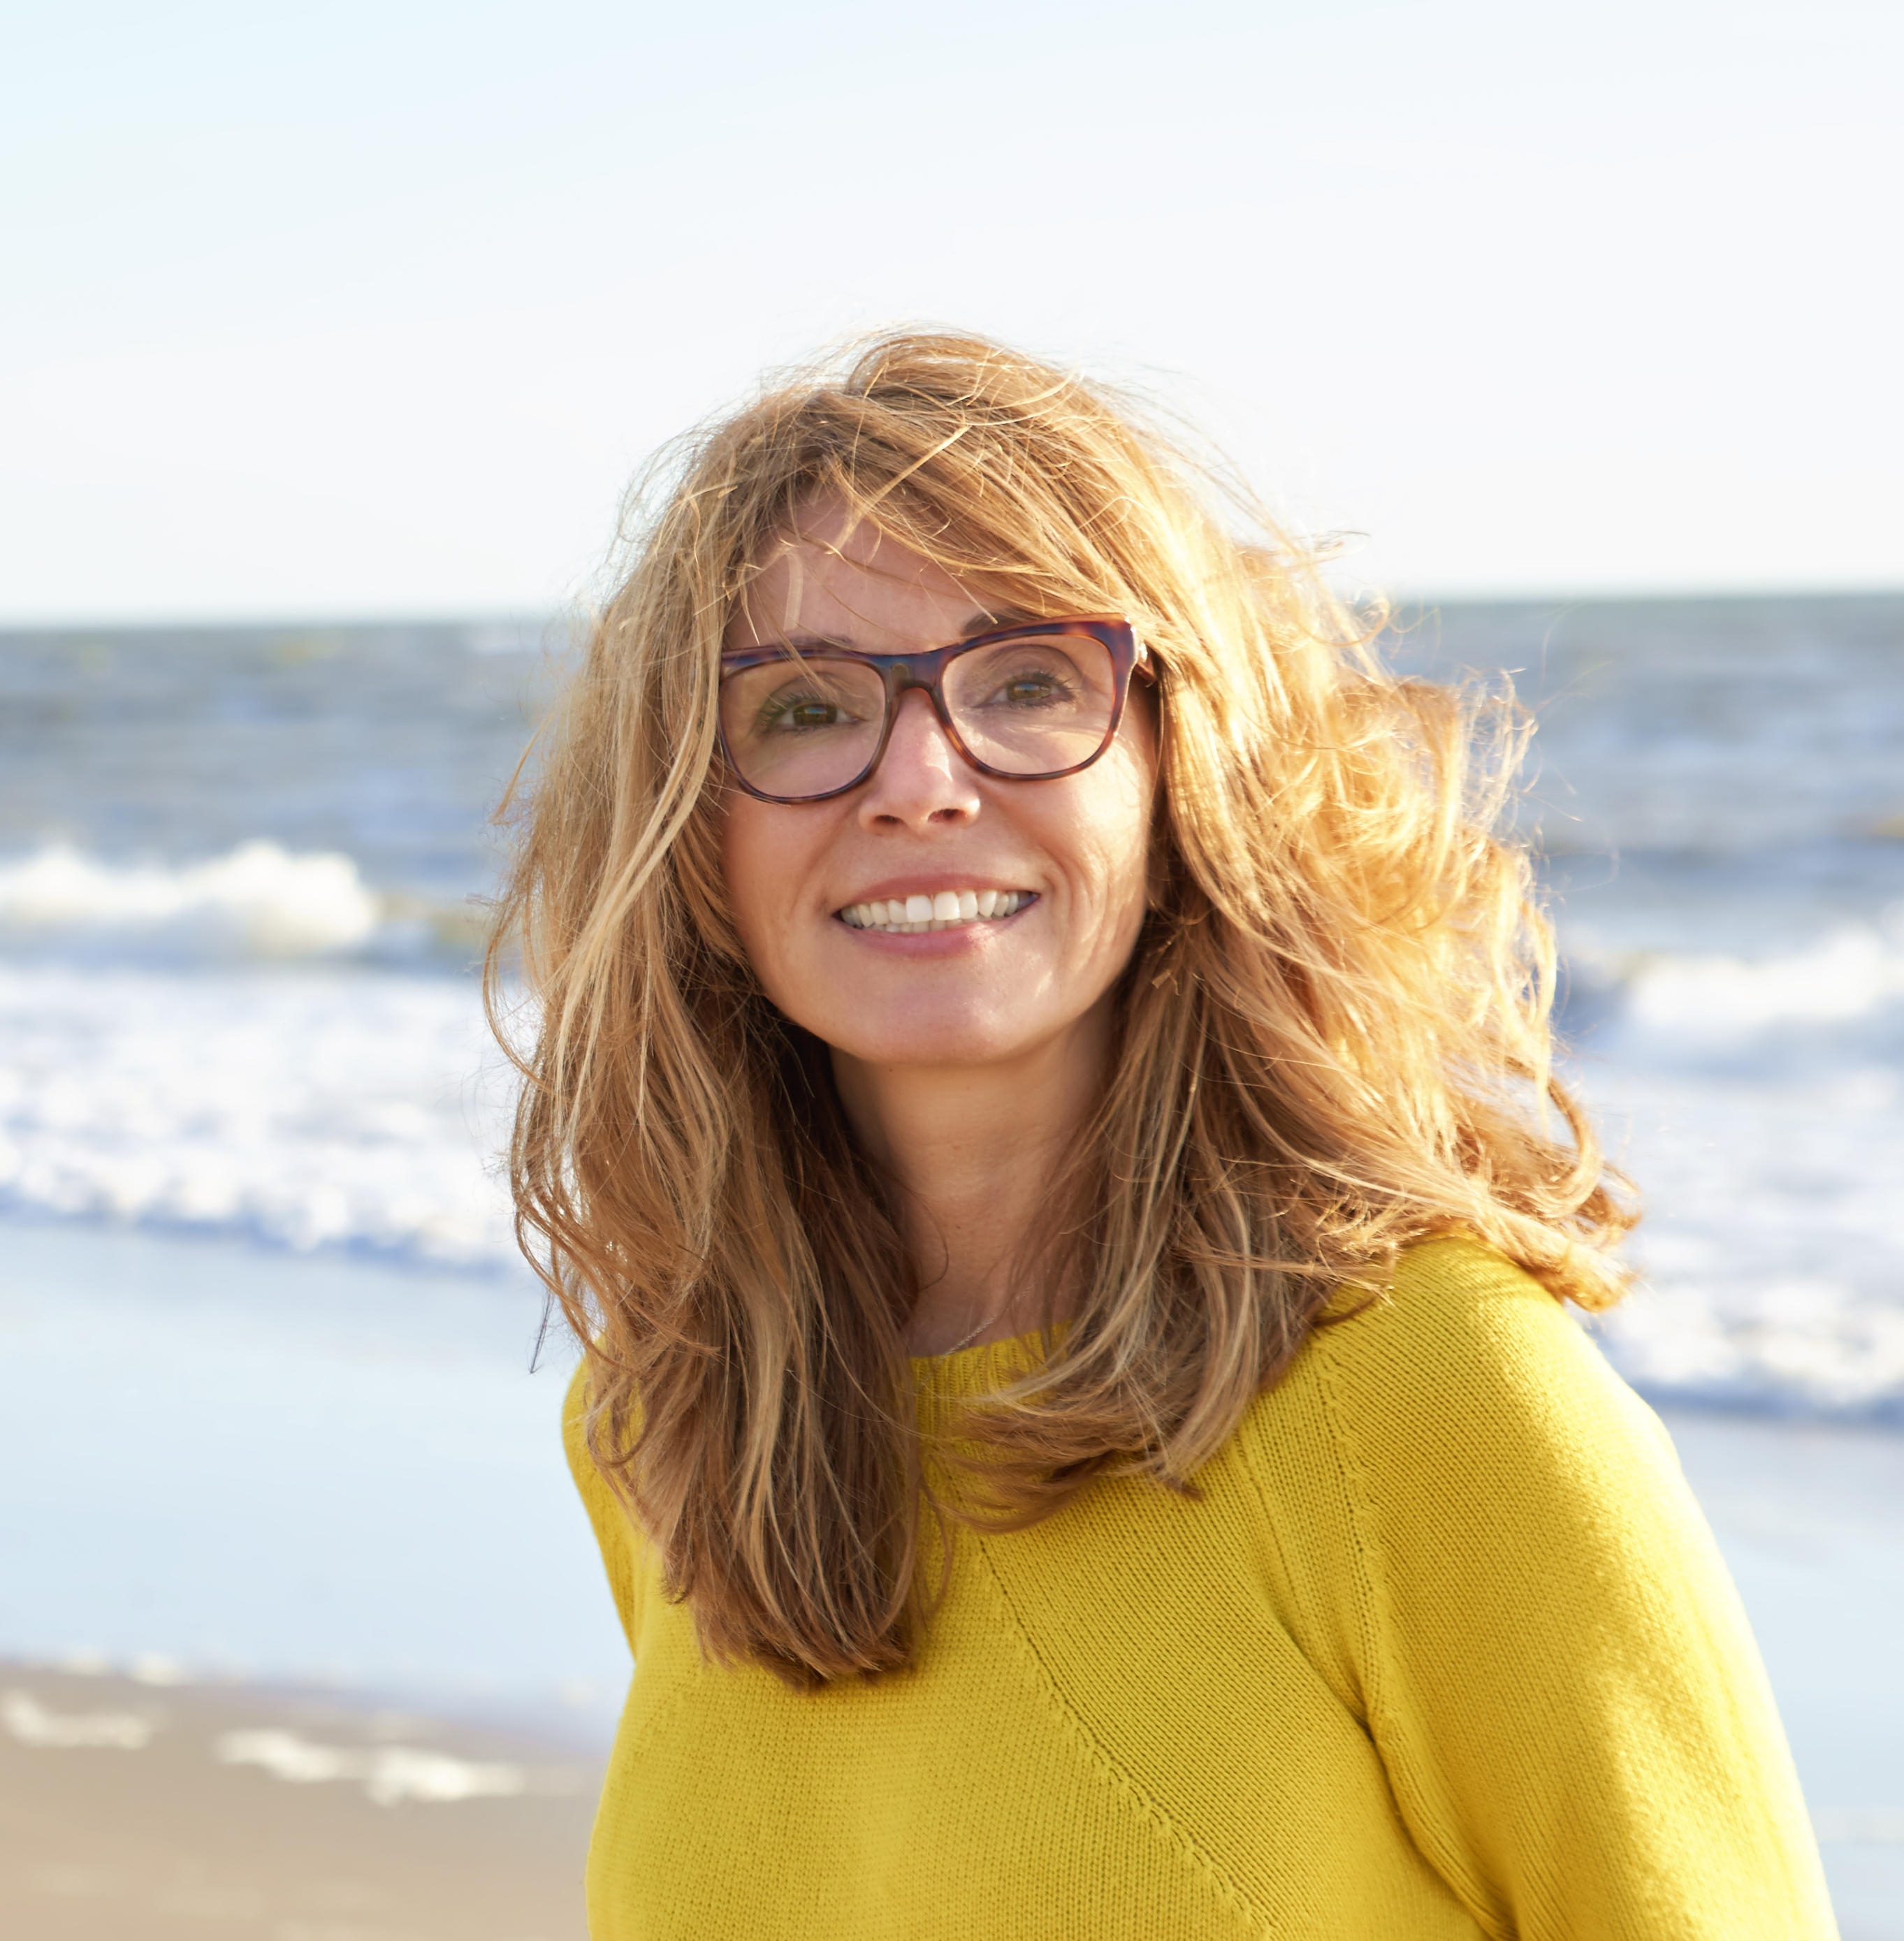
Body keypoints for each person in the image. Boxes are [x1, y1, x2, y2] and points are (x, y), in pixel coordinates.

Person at [486, 332, 1836, 1938]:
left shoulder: (1431, 1391)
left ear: (1182, 768)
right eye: (802, 707)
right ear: (685, 826)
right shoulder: (674, 1421)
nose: (918, 780)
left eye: (1028, 683)